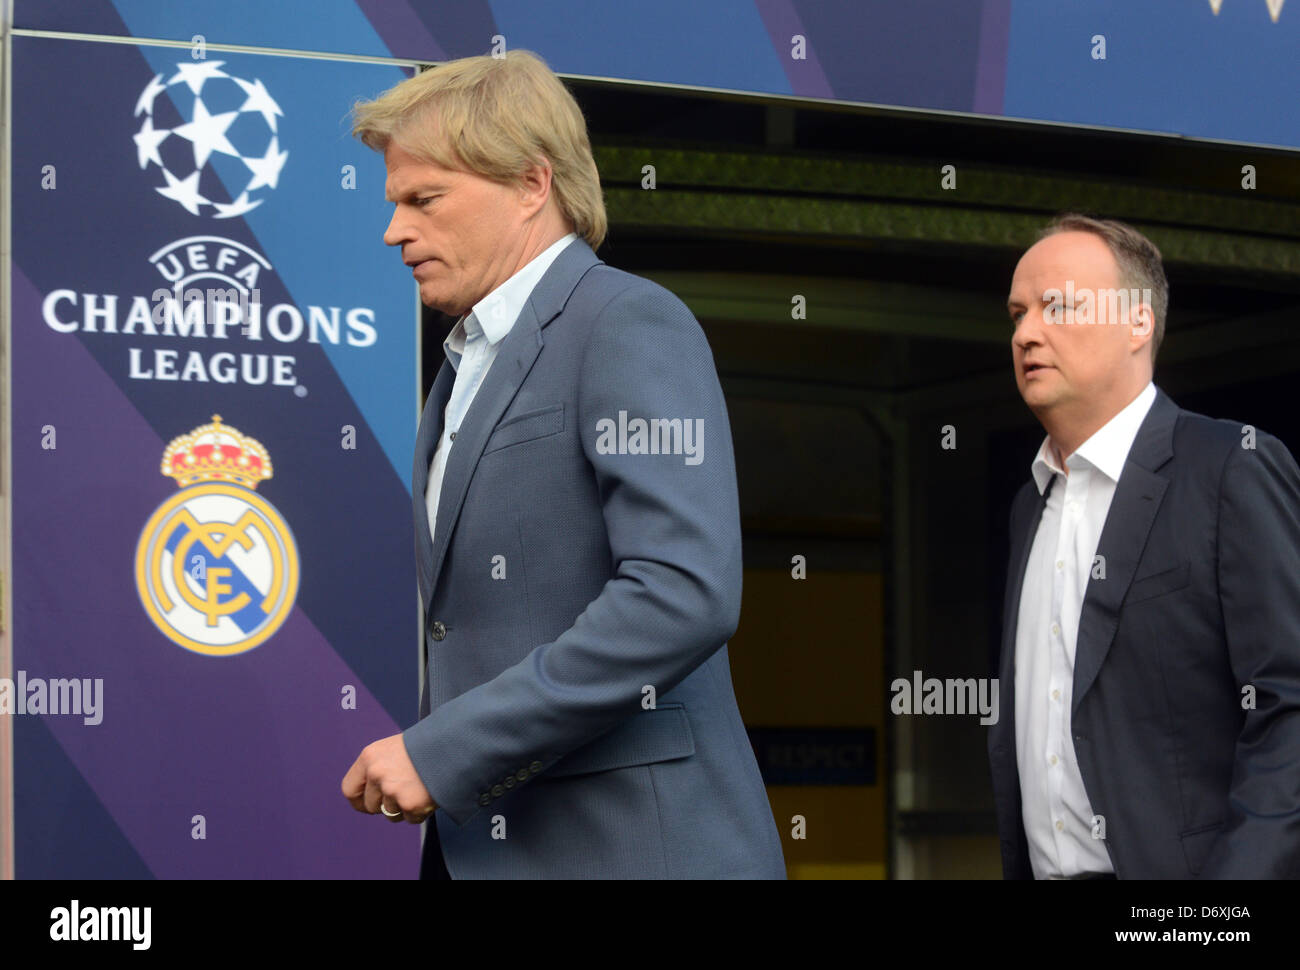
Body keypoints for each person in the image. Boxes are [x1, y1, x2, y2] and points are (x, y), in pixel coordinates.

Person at [339, 49, 785, 879]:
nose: (395, 229)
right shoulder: (463, 360)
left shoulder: (628, 322)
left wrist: (446, 749)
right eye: (396, 202)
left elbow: (681, 593)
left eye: (424, 199)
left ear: (531, 184)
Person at [988, 213, 1300, 879]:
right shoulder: (1030, 504)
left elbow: (1290, 708)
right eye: (1017, 313)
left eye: (1057, 305)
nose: (1025, 333)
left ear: (1139, 323)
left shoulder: (1228, 468)